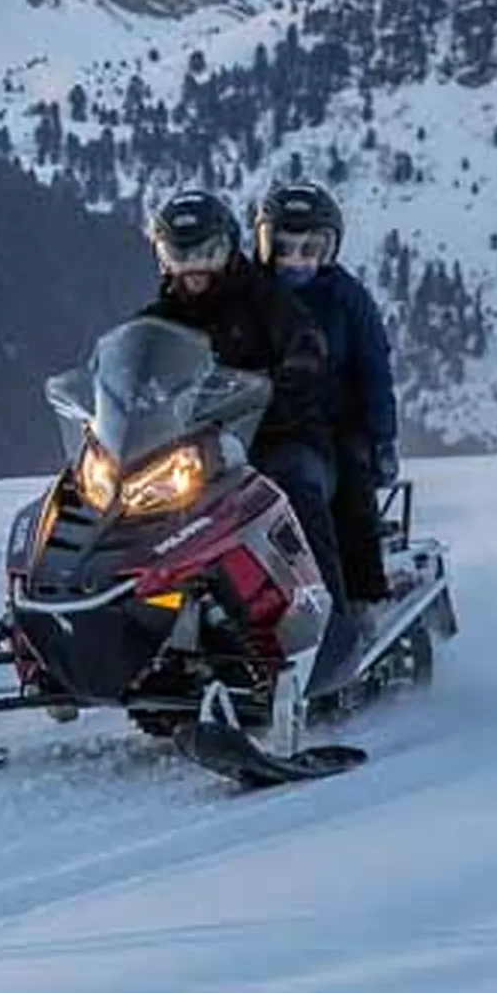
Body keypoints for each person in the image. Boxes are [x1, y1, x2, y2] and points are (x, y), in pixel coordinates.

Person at [137, 188, 358, 684]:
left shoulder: (262, 297)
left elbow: (305, 339)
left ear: (230, 248)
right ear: (163, 256)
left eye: (207, 253)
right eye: (180, 254)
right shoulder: (162, 313)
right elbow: (130, 363)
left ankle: (334, 628)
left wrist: (293, 372)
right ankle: (131, 631)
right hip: (195, 449)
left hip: (281, 432)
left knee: (292, 487)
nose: (194, 268)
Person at [254, 178, 403, 607]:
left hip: (336, 424)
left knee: (350, 484)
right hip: (256, 422)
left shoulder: (347, 299)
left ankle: (362, 597)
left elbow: (376, 371)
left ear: (329, 250)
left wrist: (383, 439)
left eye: (310, 249)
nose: (295, 261)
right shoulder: (249, 294)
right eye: (283, 247)